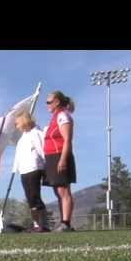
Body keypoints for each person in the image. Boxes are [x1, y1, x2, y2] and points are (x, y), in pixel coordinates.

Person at [43, 90, 76, 232]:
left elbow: (67, 140)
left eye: (49, 102)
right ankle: (63, 221)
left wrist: (62, 160)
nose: (47, 105)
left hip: (59, 156)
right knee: (58, 191)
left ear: (57, 102)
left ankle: (66, 223)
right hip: (51, 157)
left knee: (64, 190)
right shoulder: (54, 117)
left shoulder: (63, 116)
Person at [13, 110, 49, 232]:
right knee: (29, 198)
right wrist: (15, 168)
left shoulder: (37, 133)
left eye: (17, 123)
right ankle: (36, 224)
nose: (16, 126)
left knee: (35, 196)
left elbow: (42, 150)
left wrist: (45, 167)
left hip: (34, 167)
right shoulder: (23, 138)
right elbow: (18, 154)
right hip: (24, 169)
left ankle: (44, 224)